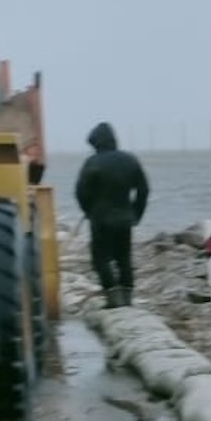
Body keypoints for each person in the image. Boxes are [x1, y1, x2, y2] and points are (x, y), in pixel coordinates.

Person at [74, 122, 149, 308]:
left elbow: (81, 192)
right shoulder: (130, 160)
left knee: (100, 259)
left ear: (97, 143)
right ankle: (127, 299)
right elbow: (144, 190)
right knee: (124, 258)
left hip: (100, 220)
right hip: (125, 218)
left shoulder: (92, 163)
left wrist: (88, 211)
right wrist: (136, 213)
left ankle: (113, 300)